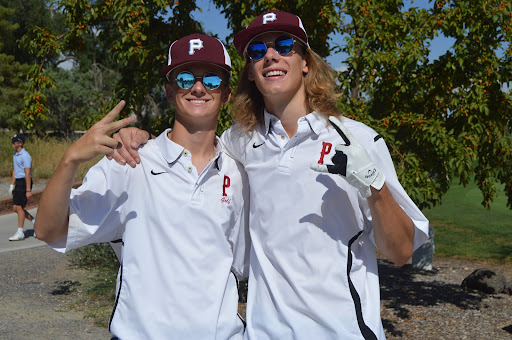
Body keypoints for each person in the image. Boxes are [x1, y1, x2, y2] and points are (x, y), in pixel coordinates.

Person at [112, 11, 429, 340]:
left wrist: (375, 189)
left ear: (306, 62)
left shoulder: (356, 139)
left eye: (284, 44)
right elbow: (192, 147)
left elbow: (402, 252)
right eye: (257, 51)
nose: (271, 56)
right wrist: (143, 139)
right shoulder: (240, 141)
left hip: (342, 332)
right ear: (250, 70)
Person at [34, 33, 249, 339]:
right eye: (185, 78)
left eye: (212, 79)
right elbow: (48, 230)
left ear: (226, 93)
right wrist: (70, 160)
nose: (198, 87)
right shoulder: (131, 162)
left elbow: (245, 262)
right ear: (169, 90)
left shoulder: (238, 171)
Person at [8, 133, 36, 241]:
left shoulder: (25, 156)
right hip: (18, 183)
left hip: (25, 182)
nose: (12, 143)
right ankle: (35, 222)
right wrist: (12, 184)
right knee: (15, 208)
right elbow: (15, 170)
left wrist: (28, 190)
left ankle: (20, 232)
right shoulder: (15, 154)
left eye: (14, 141)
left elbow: (27, 173)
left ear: (20, 143)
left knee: (19, 207)